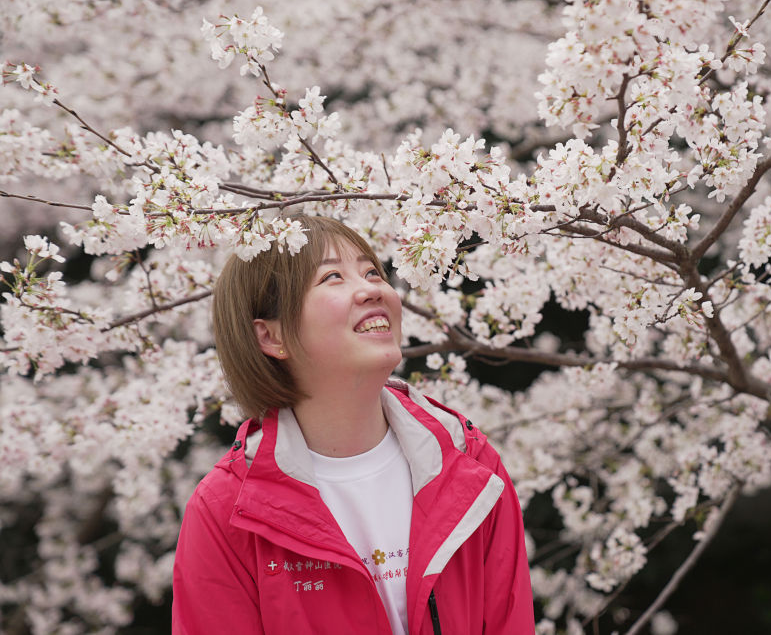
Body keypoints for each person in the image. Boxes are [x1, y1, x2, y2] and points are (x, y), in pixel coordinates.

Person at [172, 215, 534, 634]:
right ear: (271, 337)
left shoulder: (470, 467)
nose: (372, 289)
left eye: (371, 271)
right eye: (332, 278)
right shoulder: (227, 511)